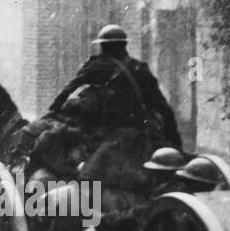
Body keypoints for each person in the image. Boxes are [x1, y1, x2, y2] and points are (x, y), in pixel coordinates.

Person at [47, 24, 182, 152]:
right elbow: (163, 108)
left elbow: (69, 89)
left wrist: (52, 111)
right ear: (124, 45)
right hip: (138, 129)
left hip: (102, 132)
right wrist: (176, 144)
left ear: (102, 45)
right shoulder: (140, 68)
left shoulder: (96, 66)